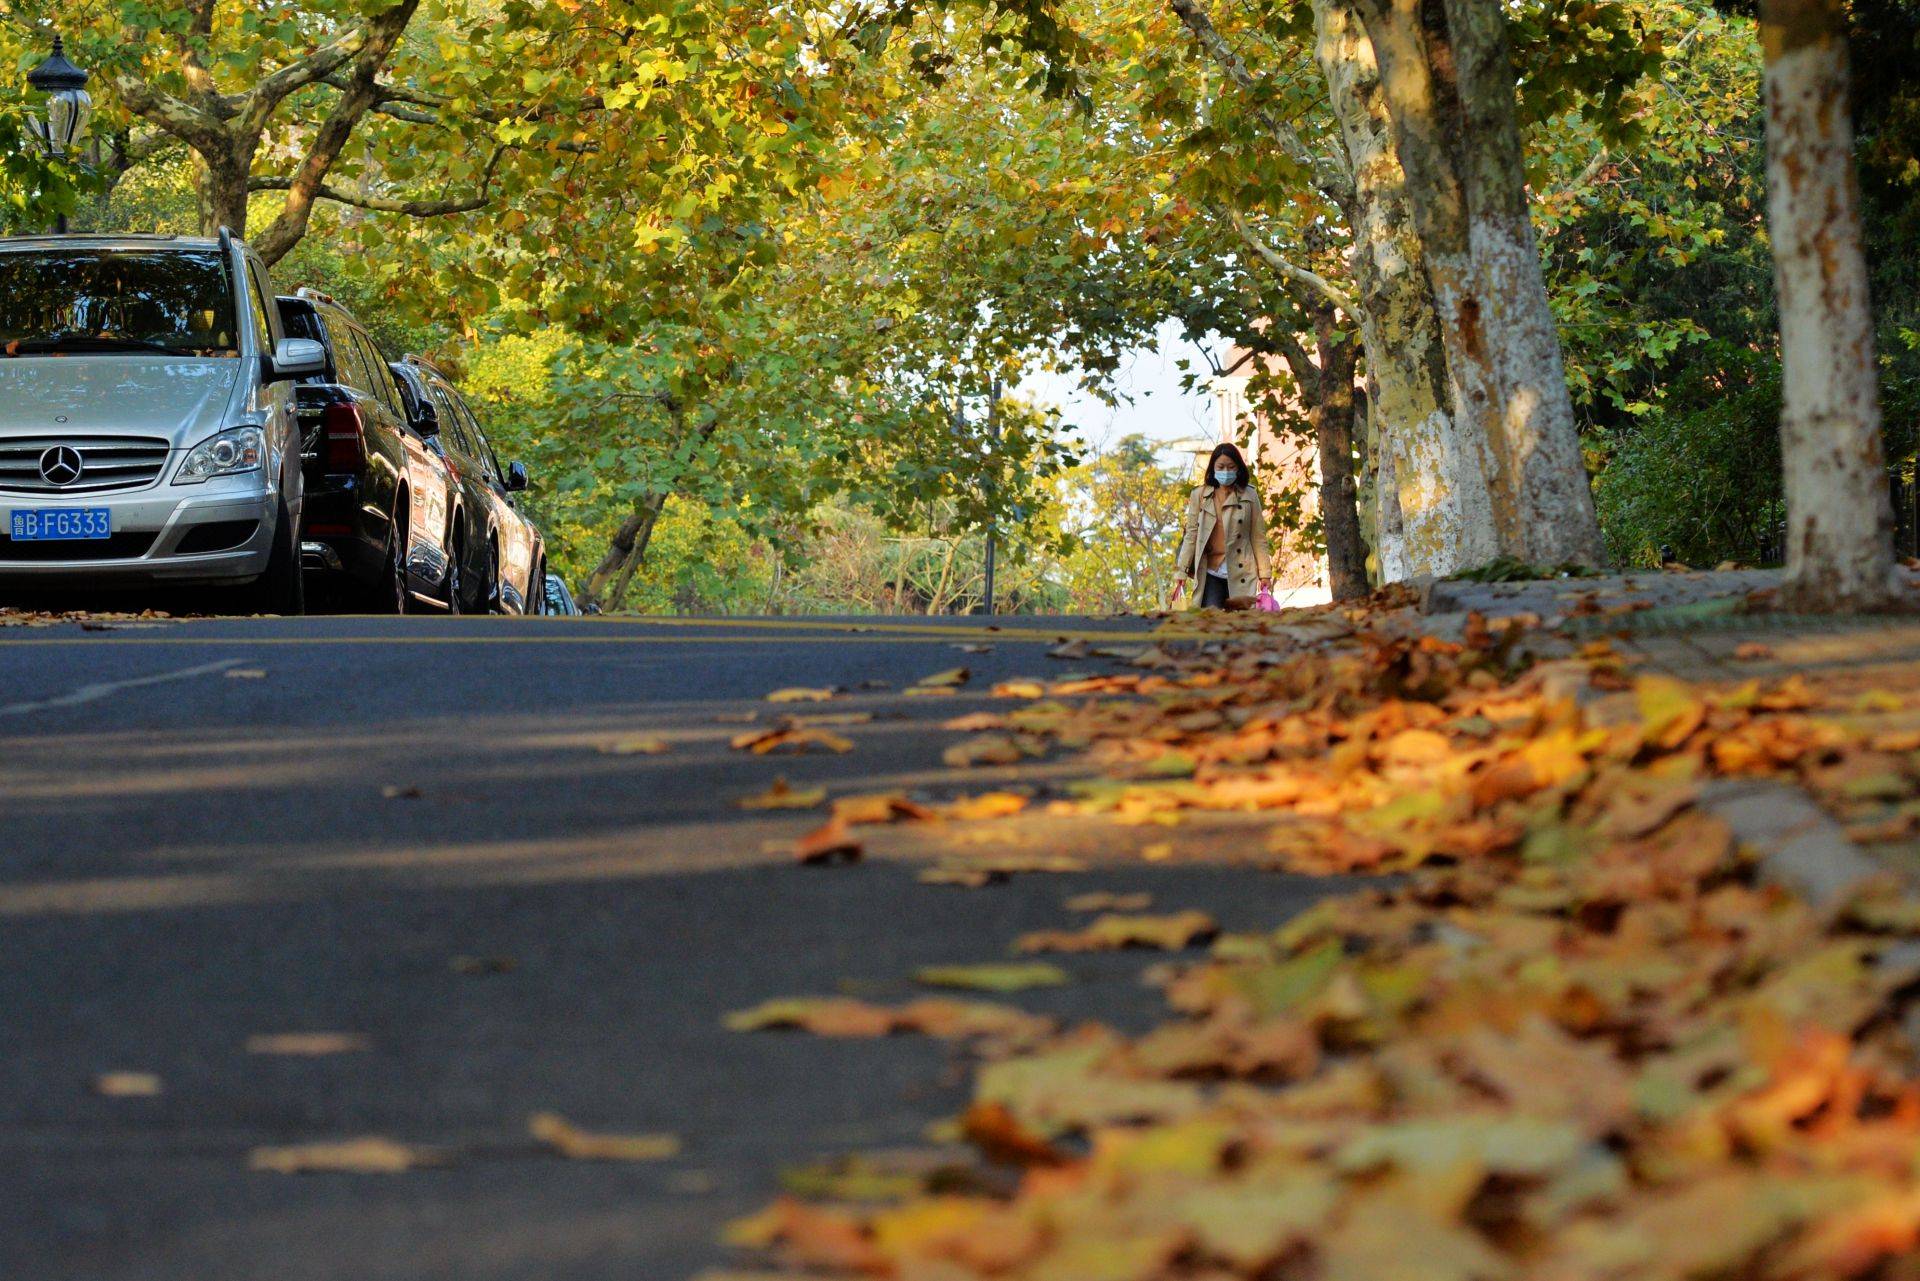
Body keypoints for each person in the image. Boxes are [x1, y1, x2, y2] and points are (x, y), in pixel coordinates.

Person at [1173, 442, 1272, 610]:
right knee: (1211, 621)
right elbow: (1191, 535)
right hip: (1211, 572)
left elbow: (1258, 537)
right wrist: (1181, 570)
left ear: (1238, 468)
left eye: (1231, 467)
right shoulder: (1200, 496)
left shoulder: (1250, 495)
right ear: (1213, 468)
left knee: (1242, 625)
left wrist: (1265, 573)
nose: (1226, 472)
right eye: (1221, 467)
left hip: (1242, 572)